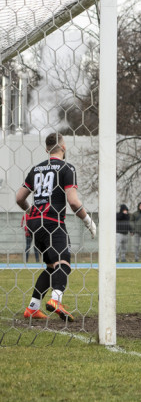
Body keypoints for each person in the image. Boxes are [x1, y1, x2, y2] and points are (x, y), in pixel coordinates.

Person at [14, 132, 97, 321]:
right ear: (64, 147)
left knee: (51, 267)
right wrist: (88, 222)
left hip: (35, 223)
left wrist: (30, 213)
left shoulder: (36, 169)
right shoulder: (67, 168)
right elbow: (74, 202)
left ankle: (33, 308)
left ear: (46, 149)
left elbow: (19, 197)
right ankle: (56, 299)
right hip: (53, 222)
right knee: (64, 264)